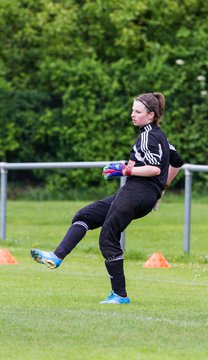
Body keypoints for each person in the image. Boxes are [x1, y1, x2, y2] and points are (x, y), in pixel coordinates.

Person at [30, 92, 184, 304]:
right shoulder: (161, 137)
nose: (132, 114)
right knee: (85, 215)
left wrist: (125, 170)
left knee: (108, 237)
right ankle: (56, 256)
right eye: (132, 110)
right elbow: (177, 162)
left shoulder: (149, 136)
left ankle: (120, 295)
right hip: (139, 193)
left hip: (137, 192)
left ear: (150, 115)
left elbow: (155, 169)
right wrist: (161, 189)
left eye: (137, 112)